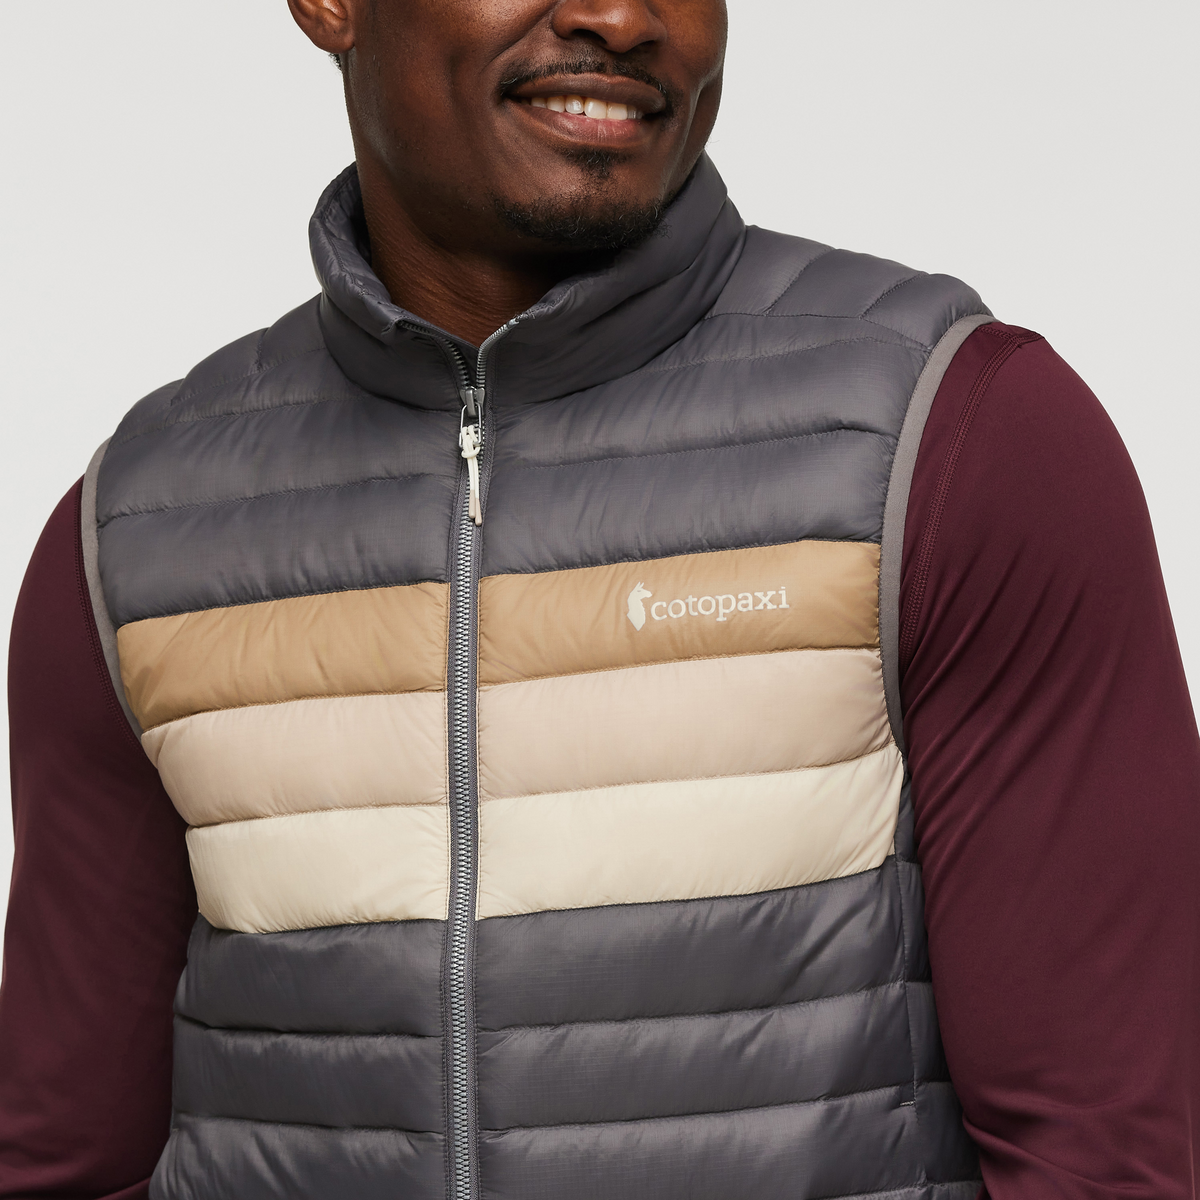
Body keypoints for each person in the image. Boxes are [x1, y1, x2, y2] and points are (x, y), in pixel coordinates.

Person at [2, 0, 1198, 1197]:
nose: (624, 18)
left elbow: (1109, 1157)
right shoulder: (138, 535)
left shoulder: (952, 445)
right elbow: (68, 1162)